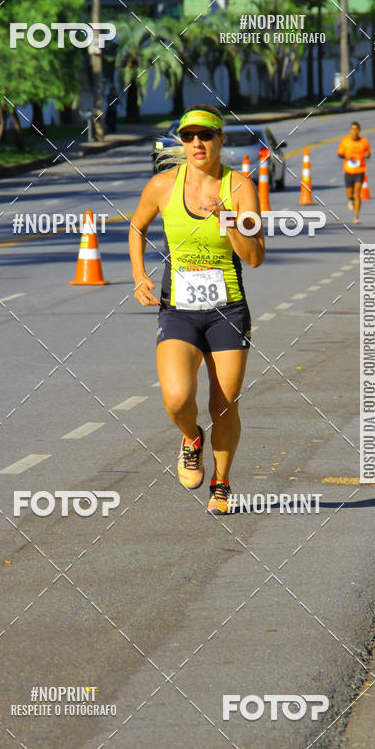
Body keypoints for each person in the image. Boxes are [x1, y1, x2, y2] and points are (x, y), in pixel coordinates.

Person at [129, 105, 265, 515]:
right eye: (189, 136)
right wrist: (139, 275)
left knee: (224, 406)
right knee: (176, 398)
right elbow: (137, 226)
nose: (197, 143)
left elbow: (255, 256)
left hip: (228, 310)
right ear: (182, 142)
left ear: (221, 140)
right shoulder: (162, 185)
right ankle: (191, 437)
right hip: (179, 310)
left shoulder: (239, 187)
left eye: (205, 135)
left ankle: (221, 483)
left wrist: (228, 221)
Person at [336, 121, 371, 225]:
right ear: (350, 130)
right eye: (352, 129)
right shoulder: (345, 141)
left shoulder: (364, 141)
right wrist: (345, 156)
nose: (354, 131)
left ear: (359, 130)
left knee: (357, 194)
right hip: (349, 171)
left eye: (356, 129)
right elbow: (339, 154)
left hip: (360, 171)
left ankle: (356, 217)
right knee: (349, 195)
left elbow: (368, 153)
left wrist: (367, 154)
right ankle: (350, 200)